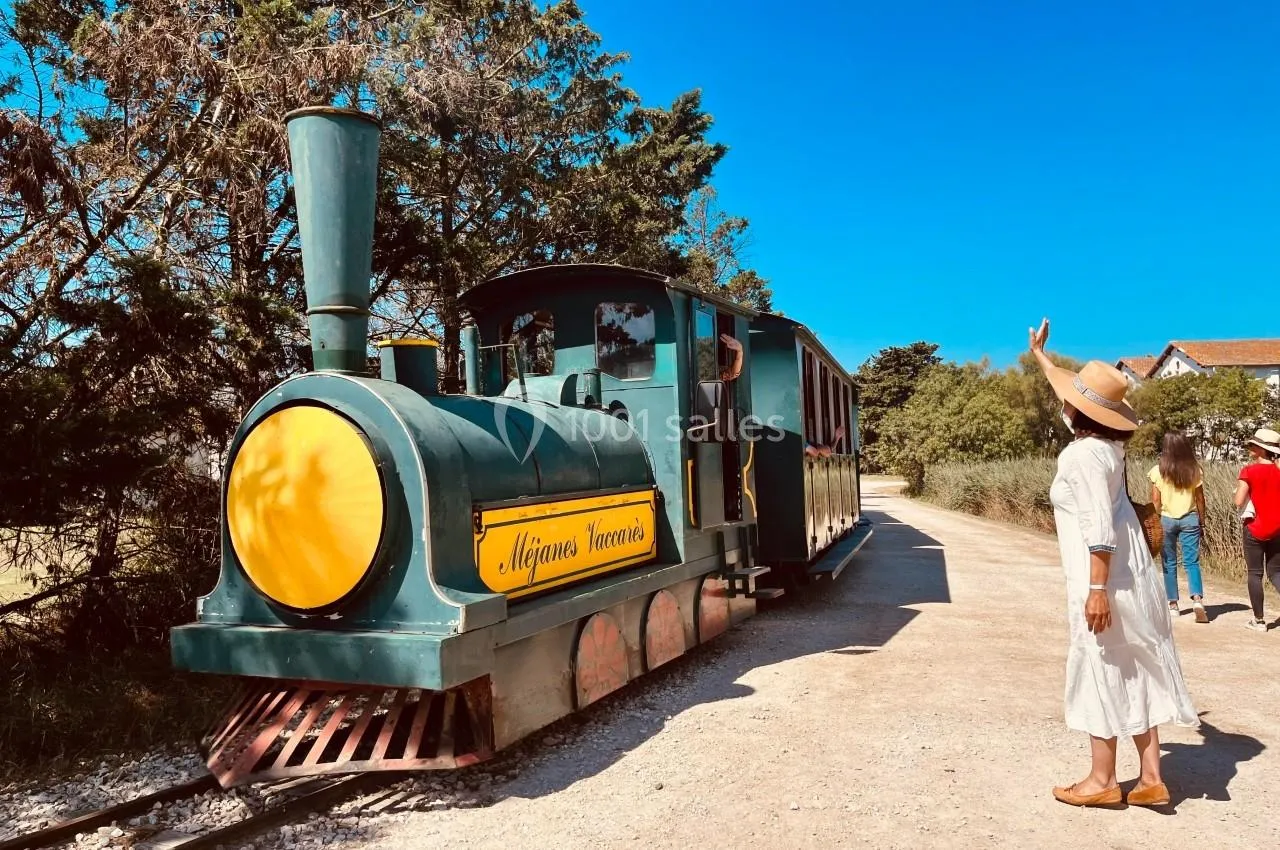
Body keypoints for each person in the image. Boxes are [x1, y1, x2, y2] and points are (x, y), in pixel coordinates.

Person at [1029, 318, 1197, 809]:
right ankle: (1151, 778)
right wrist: (1041, 356)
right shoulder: (1110, 449)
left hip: (1104, 580)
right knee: (1135, 665)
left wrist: (1096, 590)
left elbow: (1098, 529)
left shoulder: (1080, 457)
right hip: (1133, 577)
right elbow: (1073, 394)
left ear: (1078, 412)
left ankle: (1101, 780)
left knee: (1099, 666)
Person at [1148, 432, 1208, 623]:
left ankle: (1173, 604)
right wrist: (1202, 521)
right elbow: (1200, 499)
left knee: (1169, 562)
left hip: (1166, 520)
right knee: (1192, 562)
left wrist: (1154, 519)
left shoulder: (1158, 471)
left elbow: (1155, 500)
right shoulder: (1195, 470)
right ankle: (1197, 599)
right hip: (1190, 518)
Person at [1234, 427, 1280, 632]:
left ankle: (1259, 621)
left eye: (1253, 445)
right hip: (1277, 529)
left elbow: (1238, 501)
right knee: (1276, 572)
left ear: (1262, 450)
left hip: (1255, 528)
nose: (1250, 448)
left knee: (1254, 573)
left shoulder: (1249, 471)